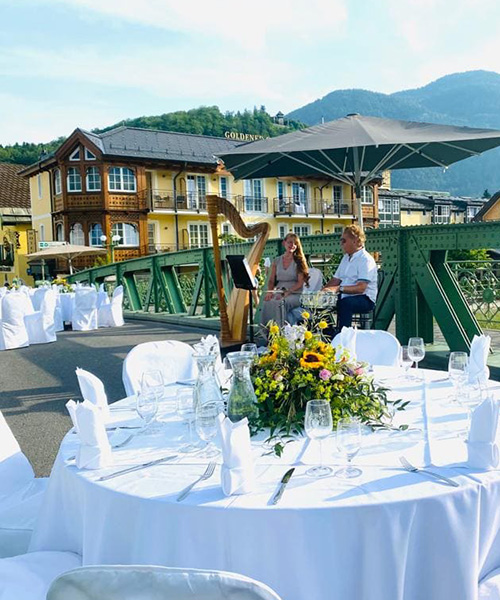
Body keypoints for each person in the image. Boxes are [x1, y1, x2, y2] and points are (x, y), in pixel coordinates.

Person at [322, 225, 378, 330]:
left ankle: (344, 334)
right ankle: (328, 333)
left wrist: (339, 289)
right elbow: (336, 280)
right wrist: (321, 293)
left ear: (356, 241)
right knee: (321, 303)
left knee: (345, 304)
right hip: (346, 295)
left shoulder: (366, 260)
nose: (341, 244)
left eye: (344, 241)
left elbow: (361, 288)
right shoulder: (346, 258)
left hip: (365, 298)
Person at [260, 232, 310, 328]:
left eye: (295, 243)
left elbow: (300, 283)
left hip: (295, 293)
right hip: (279, 290)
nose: (292, 245)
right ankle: (267, 332)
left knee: (280, 302)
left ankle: (281, 331)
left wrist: (288, 292)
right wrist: (270, 292)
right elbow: (271, 280)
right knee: (267, 301)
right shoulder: (277, 260)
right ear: (284, 243)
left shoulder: (299, 261)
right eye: (290, 242)